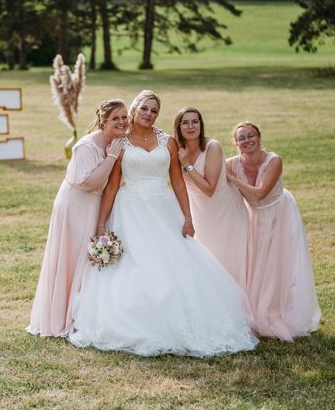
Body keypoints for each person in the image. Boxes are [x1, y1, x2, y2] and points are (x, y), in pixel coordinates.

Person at [68, 91, 258, 357]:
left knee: (177, 262)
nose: (149, 114)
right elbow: (111, 187)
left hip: (162, 208)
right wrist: (101, 225)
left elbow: (178, 183)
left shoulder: (167, 142)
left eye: (154, 110)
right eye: (144, 108)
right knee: (133, 265)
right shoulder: (121, 144)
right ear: (134, 109)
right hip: (129, 210)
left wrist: (188, 218)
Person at [27, 99, 128, 337]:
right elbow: (90, 182)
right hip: (75, 205)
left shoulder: (116, 141)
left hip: (92, 205)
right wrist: (112, 156)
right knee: (72, 257)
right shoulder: (86, 145)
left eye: (125, 117)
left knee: (86, 258)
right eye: (116, 118)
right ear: (103, 121)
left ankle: (81, 313)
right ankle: (62, 317)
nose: (122, 122)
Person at [226, 122, 321, 341]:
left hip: (279, 212)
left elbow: (259, 195)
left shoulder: (274, 161)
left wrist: (232, 180)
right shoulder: (231, 164)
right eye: (242, 138)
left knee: (278, 264)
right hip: (252, 216)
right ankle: (254, 311)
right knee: (255, 263)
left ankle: (277, 312)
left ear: (259, 138)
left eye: (251, 136)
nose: (247, 140)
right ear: (236, 143)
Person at [174, 107, 249, 289]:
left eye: (195, 122)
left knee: (226, 260)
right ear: (178, 127)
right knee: (207, 261)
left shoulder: (212, 147)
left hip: (224, 210)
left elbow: (209, 189)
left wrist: (187, 165)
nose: (191, 126)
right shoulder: (177, 150)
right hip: (199, 210)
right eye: (185, 122)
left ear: (201, 125)